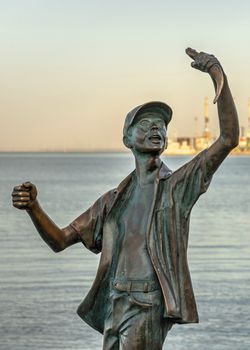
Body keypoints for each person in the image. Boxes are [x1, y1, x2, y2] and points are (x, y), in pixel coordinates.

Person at [12, 48, 239, 350]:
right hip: (113, 303)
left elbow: (228, 138)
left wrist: (217, 75)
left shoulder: (177, 187)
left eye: (160, 125)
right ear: (127, 139)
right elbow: (60, 240)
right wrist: (33, 208)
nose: (155, 129)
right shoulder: (113, 201)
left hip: (148, 303)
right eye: (145, 125)